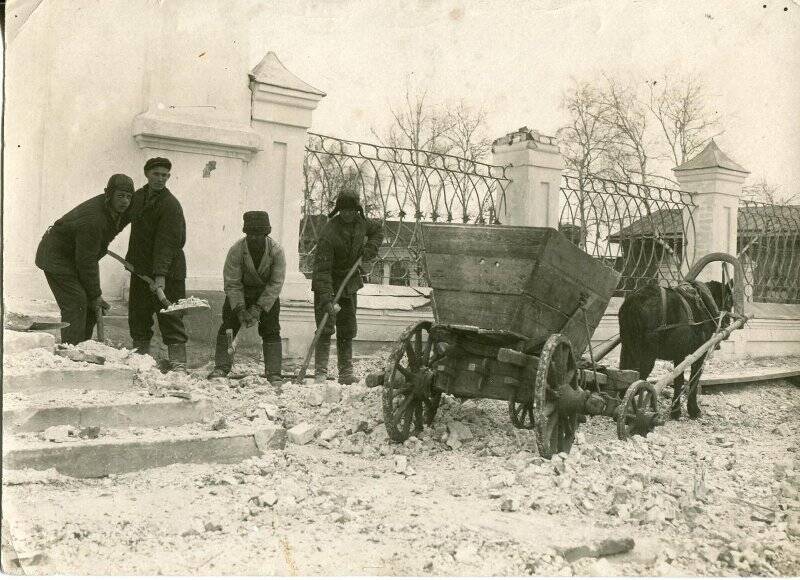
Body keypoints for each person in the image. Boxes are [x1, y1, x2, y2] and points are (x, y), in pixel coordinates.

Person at [35, 174, 134, 344]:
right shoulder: (93, 220)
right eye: (120, 196)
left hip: (73, 257)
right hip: (56, 257)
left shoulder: (114, 209)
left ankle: (83, 346)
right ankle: (71, 350)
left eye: (128, 196)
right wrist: (95, 294)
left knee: (92, 305)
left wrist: (94, 296)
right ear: (108, 194)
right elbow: (86, 262)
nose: (125, 201)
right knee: (77, 302)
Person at [312, 185, 382, 384]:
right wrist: (326, 299)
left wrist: (369, 249)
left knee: (347, 327)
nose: (348, 214)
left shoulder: (362, 223)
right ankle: (320, 372)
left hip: (349, 284)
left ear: (357, 210)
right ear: (338, 210)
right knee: (325, 326)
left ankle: (345, 372)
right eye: (344, 211)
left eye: (351, 211)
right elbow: (321, 271)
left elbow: (378, 231)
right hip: (329, 284)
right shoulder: (329, 233)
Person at [124, 157, 188, 372]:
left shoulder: (170, 205)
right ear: (146, 174)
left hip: (168, 272)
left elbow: (167, 243)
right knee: (139, 317)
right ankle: (142, 363)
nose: (160, 179)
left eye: (165, 175)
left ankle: (179, 366)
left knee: (171, 317)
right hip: (141, 271)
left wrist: (160, 276)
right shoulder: (138, 198)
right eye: (156, 174)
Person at [207, 211, 286, 382]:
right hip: (240, 293)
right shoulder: (236, 250)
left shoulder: (277, 252)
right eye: (251, 234)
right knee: (228, 327)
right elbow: (232, 282)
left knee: (271, 329)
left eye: (259, 234)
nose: (255, 238)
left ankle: (273, 372)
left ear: (266, 234)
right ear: (246, 233)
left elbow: (276, 283)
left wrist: (258, 308)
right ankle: (221, 367)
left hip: (266, 296)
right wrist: (240, 309)